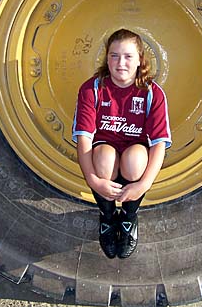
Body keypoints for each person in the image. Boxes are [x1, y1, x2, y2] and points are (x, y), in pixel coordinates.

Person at [72, 29, 171, 259]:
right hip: (104, 151)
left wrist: (143, 185)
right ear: (107, 59)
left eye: (128, 56)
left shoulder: (152, 93)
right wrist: (93, 180)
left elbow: (158, 144)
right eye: (114, 56)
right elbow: (84, 137)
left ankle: (128, 218)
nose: (120, 63)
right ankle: (107, 217)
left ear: (139, 59)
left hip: (134, 153)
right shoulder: (92, 89)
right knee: (104, 158)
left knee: (135, 159)